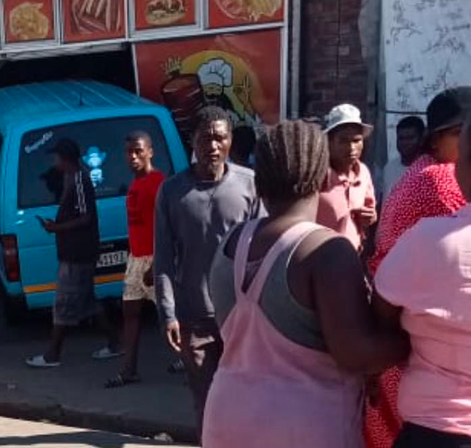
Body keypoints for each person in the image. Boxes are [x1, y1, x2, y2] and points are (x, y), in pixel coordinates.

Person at [202, 119, 409, 448]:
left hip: (225, 417)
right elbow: (356, 354)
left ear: (260, 180)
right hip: (304, 426)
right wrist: (410, 341)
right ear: (321, 174)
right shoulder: (327, 250)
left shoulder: (232, 242)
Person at [365, 86, 471, 448]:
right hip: (423, 361)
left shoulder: (424, 172)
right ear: (438, 139)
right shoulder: (438, 180)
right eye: (461, 134)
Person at [155, 106, 263, 434]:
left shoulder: (250, 185)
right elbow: (163, 258)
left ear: (230, 142)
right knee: (206, 401)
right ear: (193, 141)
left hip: (241, 317)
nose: (212, 146)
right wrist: (168, 314)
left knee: (245, 399)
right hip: (194, 318)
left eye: (220, 138)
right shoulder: (173, 192)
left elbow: (264, 251)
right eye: (205, 139)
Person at [25, 139, 121, 368]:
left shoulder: (79, 179)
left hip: (78, 252)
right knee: (88, 302)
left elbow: (86, 217)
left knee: (63, 303)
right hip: (75, 250)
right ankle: (115, 342)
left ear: (64, 158)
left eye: (56, 157)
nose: (54, 161)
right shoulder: (72, 178)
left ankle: (52, 355)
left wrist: (56, 228)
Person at [105, 131, 165, 388]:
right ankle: (129, 369)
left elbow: (166, 226)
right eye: (129, 152)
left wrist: (156, 262)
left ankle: (191, 362)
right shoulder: (134, 184)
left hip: (154, 258)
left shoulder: (159, 182)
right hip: (136, 258)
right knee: (130, 311)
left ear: (150, 151)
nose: (133, 156)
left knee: (169, 314)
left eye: (138, 151)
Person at [316, 104, 376, 252]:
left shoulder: (363, 173)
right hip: (319, 259)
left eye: (356, 140)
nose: (351, 148)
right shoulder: (317, 175)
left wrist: (370, 218)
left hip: (354, 257)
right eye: (343, 141)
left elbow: (370, 212)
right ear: (329, 141)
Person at [381, 116, 426, 202]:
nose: (405, 143)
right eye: (401, 138)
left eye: (410, 138)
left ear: (421, 139)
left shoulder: (428, 170)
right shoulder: (389, 168)